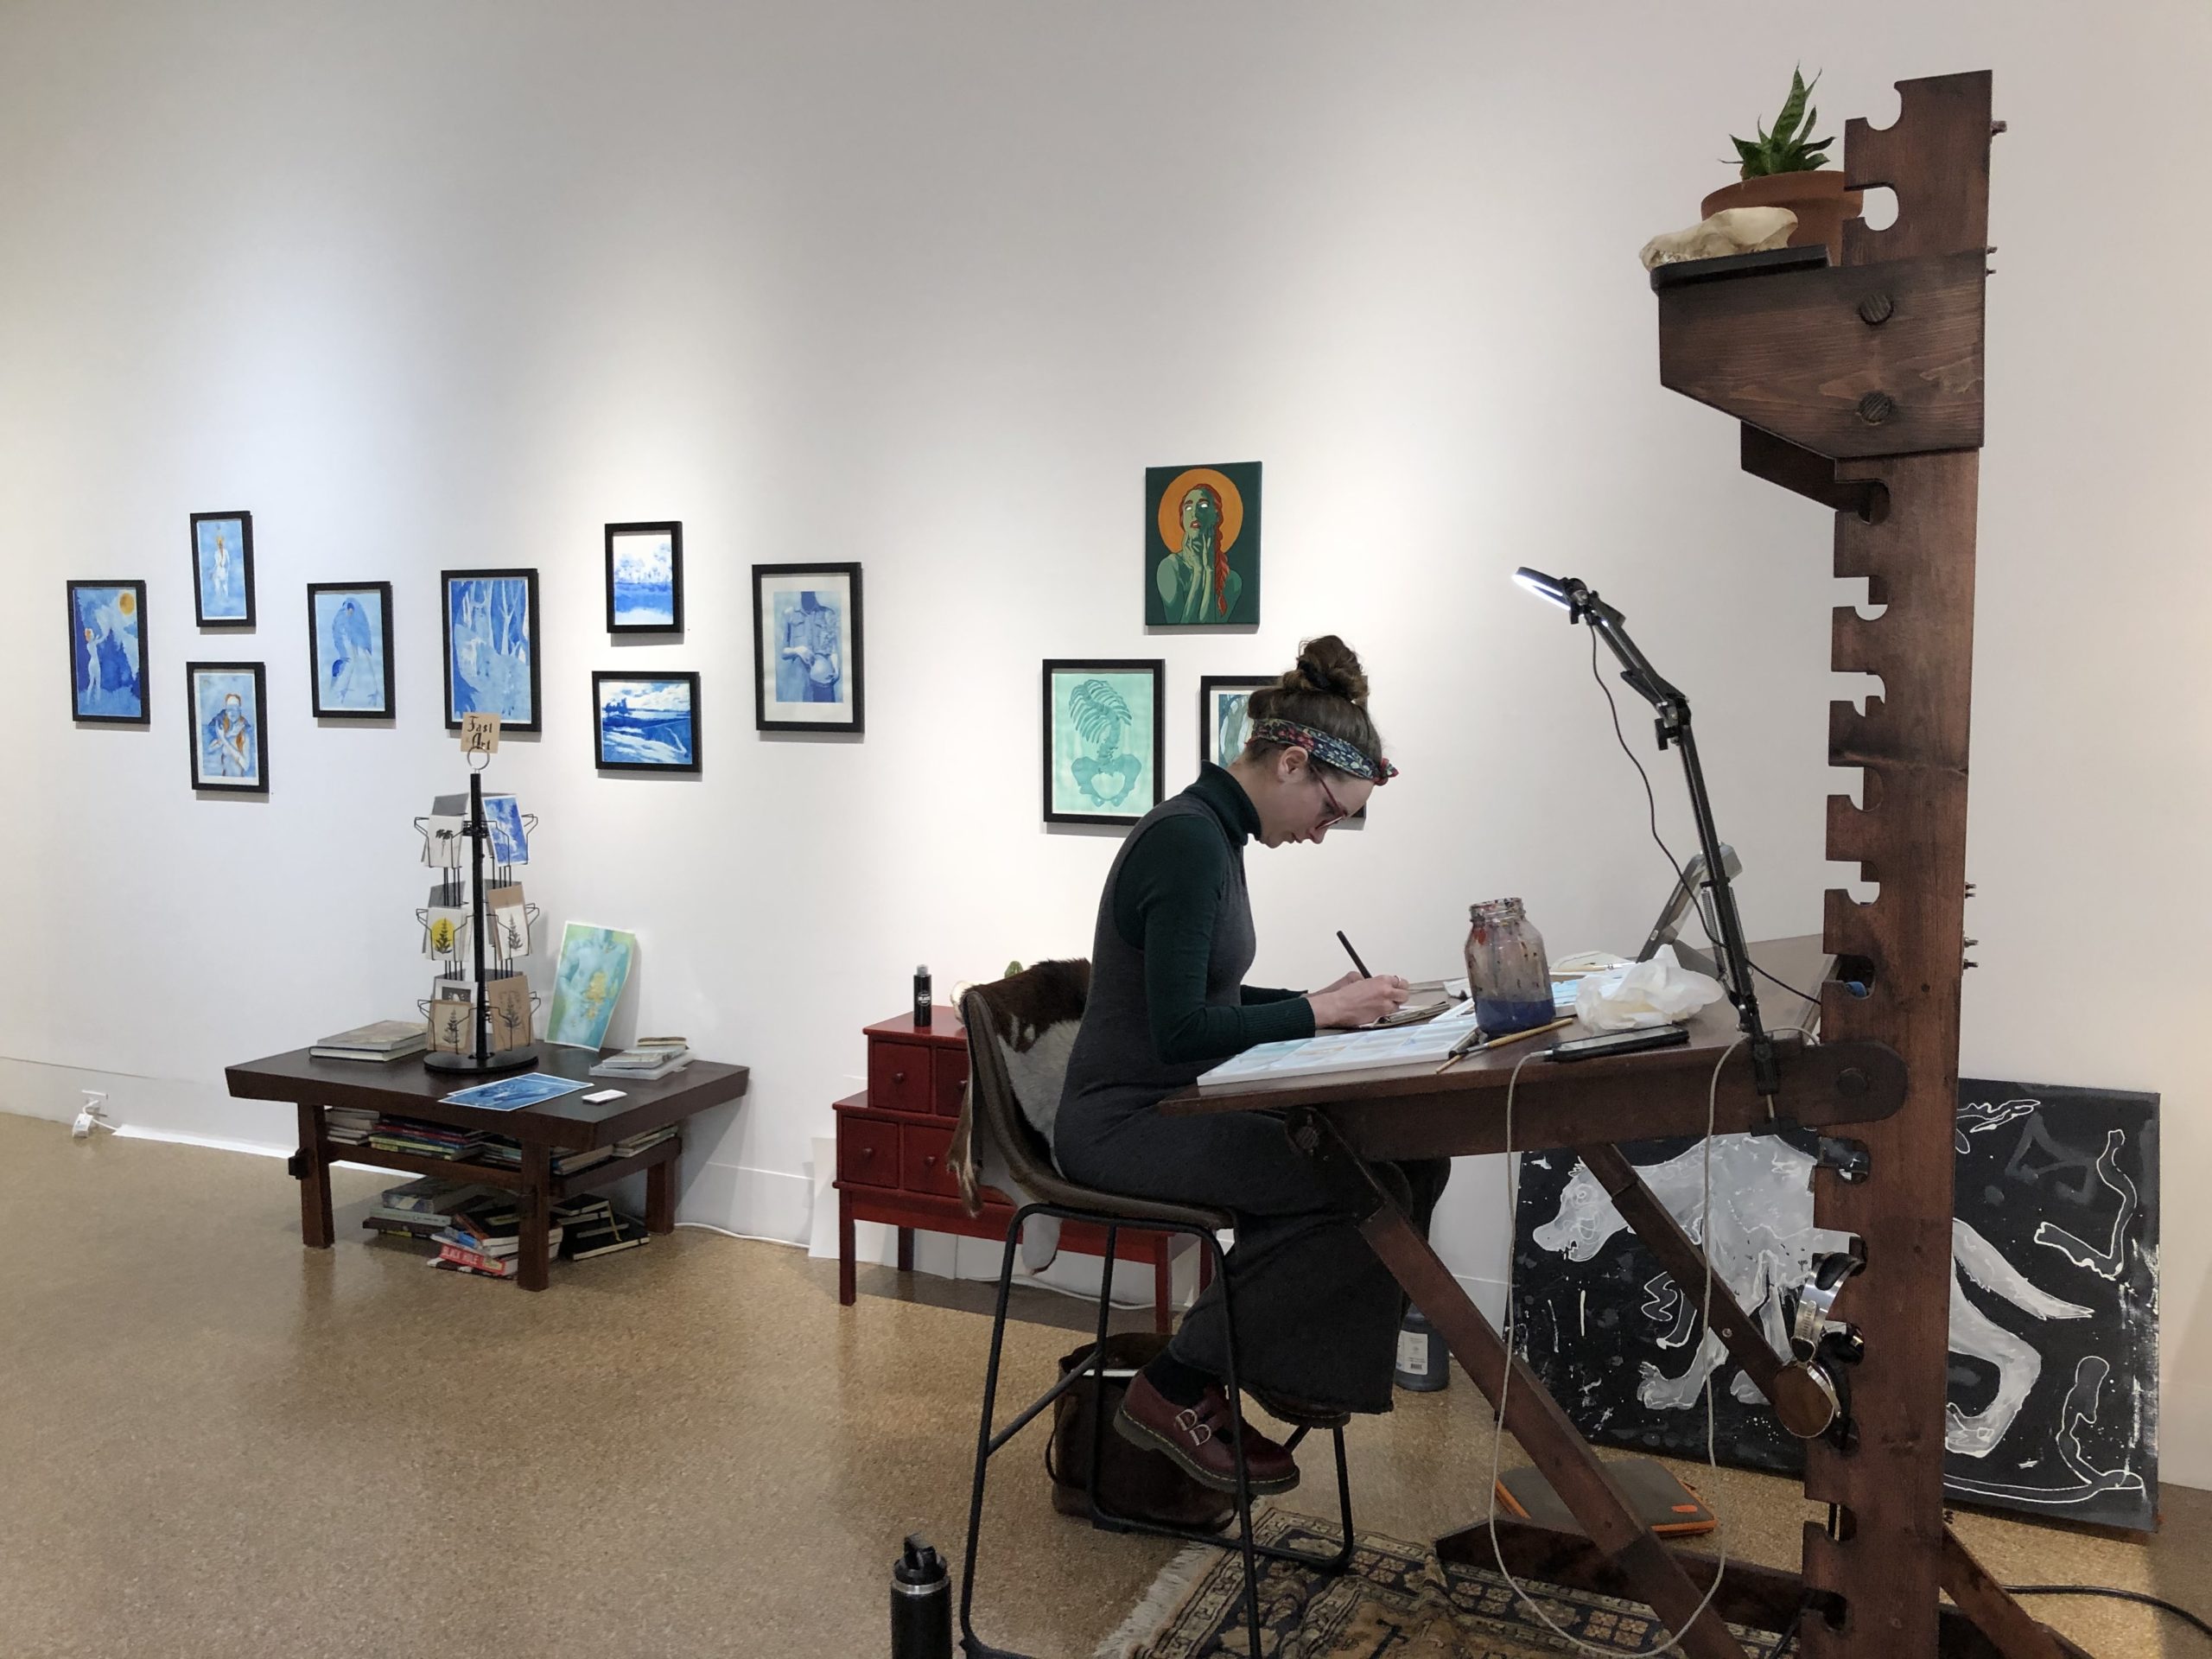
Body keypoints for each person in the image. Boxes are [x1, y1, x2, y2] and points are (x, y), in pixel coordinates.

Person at [1055, 636, 1448, 1497]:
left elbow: (1211, 991)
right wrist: (1315, 1014)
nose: (1322, 833)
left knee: (1414, 1153)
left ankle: (1285, 1366)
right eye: (1331, 812)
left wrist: (1327, 1002)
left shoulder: (1211, 835)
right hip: (1122, 1124)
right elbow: (1180, 1029)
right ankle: (1177, 1387)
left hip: (1170, 1105)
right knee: (1355, 1183)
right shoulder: (1189, 845)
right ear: (1293, 762)